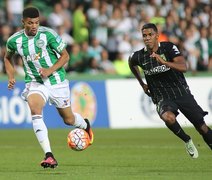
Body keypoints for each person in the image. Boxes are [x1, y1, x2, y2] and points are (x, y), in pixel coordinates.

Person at [4, 7, 94, 168]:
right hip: (35, 82)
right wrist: (11, 76)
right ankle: (49, 155)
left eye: (37, 23)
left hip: (56, 81)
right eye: (30, 23)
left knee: (68, 119)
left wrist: (49, 70)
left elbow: (65, 56)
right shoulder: (14, 40)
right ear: (23, 22)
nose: (34, 26)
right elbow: (7, 58)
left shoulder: (48, 34)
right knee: (35, 109)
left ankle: (85, 125)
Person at [128, 23, 212, 159]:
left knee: (202, 128)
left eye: (150, 35)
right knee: (168, 117)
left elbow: (183, 67)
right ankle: (187, 140)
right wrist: (142, 83)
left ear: (157, 35)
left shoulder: (168, 48)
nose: (147, 38)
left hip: (181, 92)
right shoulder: (139, 56)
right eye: (144, 36)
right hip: (162, 97)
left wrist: (164, 62)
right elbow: (131, 63)